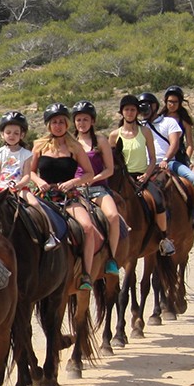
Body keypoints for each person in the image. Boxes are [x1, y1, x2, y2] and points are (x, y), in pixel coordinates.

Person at [26, 103, 103, 291]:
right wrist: (38, 181)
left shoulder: (75, 146)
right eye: (54, 122)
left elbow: (89, 173)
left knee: (87, 227)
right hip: (44, 196)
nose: (58, 125)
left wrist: (72, 183)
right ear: (48, 125)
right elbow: (30, 171)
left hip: (68, 196)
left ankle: (86, 272)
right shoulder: (39, 146)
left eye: (61, 122)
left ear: (67, 124)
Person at [111, 94, 174, 256]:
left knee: (158, 200)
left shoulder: (145, 131)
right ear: (122, 112)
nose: (130, 113)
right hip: (121, 178)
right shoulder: (114, 135)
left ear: (137, 112)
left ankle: (164, 238)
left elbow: (152, 158)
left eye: (133, 110)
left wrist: (146, 175)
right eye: (127, 110)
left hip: (141, 176)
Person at [70, 101, 122, 276]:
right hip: (76, 190)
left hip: (98, 188)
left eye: (85, 119)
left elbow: (110, 169)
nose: (82, 123)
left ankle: (112, 259)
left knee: (113, 216)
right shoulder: (70, 142)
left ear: (92, 121)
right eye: (78, 120)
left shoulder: (100, 141)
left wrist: (92, 180)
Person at [158, 86, 194, 230]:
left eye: (175, 102)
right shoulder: (159, 119)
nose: (172, 104)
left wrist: (186, 160)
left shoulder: (184, 120)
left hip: (178, 158)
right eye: (169, 101)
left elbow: (190, 144)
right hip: (159, 158)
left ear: (180, 102)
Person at [0, 111, 32, 192]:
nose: (12, 135)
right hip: (1, 189)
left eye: (16, 133)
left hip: (20, 189)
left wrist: (20, 185)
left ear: (21, 135)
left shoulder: (26, 154)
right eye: (8, 132)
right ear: (2, 134)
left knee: (34, 203)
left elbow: (27, 175)